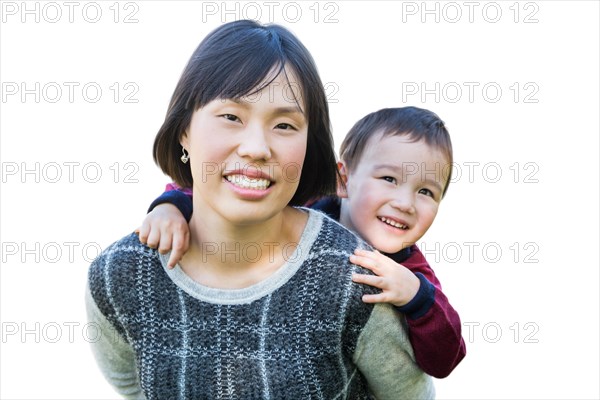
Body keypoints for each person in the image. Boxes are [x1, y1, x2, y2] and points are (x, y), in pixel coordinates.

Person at [86, 20, 434, 399]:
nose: (256, 147)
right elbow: (130, 386)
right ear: (184, 130)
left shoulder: (354, 278)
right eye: (231, 117)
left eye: (284, 125)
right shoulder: (121, 276)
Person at [140, 106, 466, 379]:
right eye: (389, 179)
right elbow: (225, 197)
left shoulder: (411, 271)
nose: (405, 203)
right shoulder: (305, 210)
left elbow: (447, 358)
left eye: (426, 192)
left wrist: (416, 296)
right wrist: (170, 207)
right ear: (343, 180)